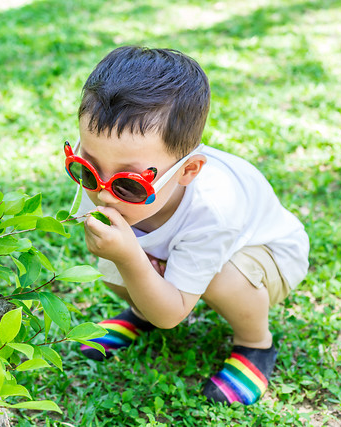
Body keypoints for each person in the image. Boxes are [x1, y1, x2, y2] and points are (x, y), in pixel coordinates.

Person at [65, 46, 309, 405]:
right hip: (173, 252)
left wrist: (131, 258)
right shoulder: (106, 180)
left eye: (129, 184)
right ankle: (139, 313)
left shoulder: (213, 210)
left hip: (265, 255)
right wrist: (128, 260)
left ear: (187, 171)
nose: (103, 194)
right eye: (85, 168)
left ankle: (255, 344)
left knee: (219, 275)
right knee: (113, 263)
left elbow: (172, 316)